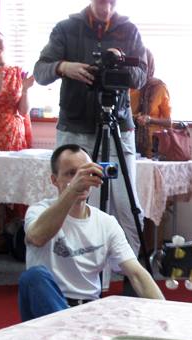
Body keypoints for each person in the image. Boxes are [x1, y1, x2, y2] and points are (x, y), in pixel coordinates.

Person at [33, 0, 147, 256]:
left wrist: (117, 66)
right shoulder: (66, 27)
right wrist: (64, 67)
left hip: (118, 124)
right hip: (75, 127)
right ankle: (78, 265)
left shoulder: (129, 30)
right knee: (74, 200)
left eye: (110, 2)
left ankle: (132, 271)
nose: (105, 7)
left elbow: (142, 75)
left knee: (127, 204)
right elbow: (40, 72)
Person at [18, 144, 164, 321]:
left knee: (130, 315)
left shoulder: (106, 222)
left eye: (85, 172)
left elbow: (137, 274)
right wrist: (73, 190)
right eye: (71, 173)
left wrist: (165, 314)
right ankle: (69, 333)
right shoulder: (38, 211)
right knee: (34, 277)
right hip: (49, 305)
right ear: (54, 180)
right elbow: (37, 237)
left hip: (89, 311)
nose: (81, 178)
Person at [0, 28, 35, 251]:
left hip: (14, 137)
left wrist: (25, 91)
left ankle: (15, 239)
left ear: (4, 41)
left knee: (15, 185)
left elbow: (23, 110)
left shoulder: (19, 71)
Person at [130, 48, 172, 159]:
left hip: (152, 147)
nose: (140, 70)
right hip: (127, 141)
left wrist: (149, 119)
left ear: (150, 66)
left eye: (144, 65)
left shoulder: (159, 87)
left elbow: (169, 122)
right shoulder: (125, 87)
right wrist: (134, 118)